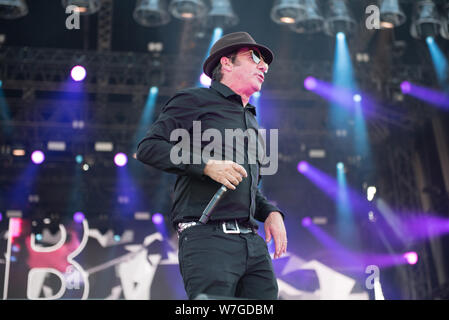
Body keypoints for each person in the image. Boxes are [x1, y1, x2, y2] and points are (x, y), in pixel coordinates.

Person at [136, 32, 287, 300]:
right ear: (227, 63)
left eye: (265, 61)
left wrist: (271, 213)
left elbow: (249, 187)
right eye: (254, 57)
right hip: (208, 238)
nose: (264, 66)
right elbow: (149, 147)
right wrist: (206, 165)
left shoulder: (253, 122)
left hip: (252, 243)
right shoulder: (194, 100)